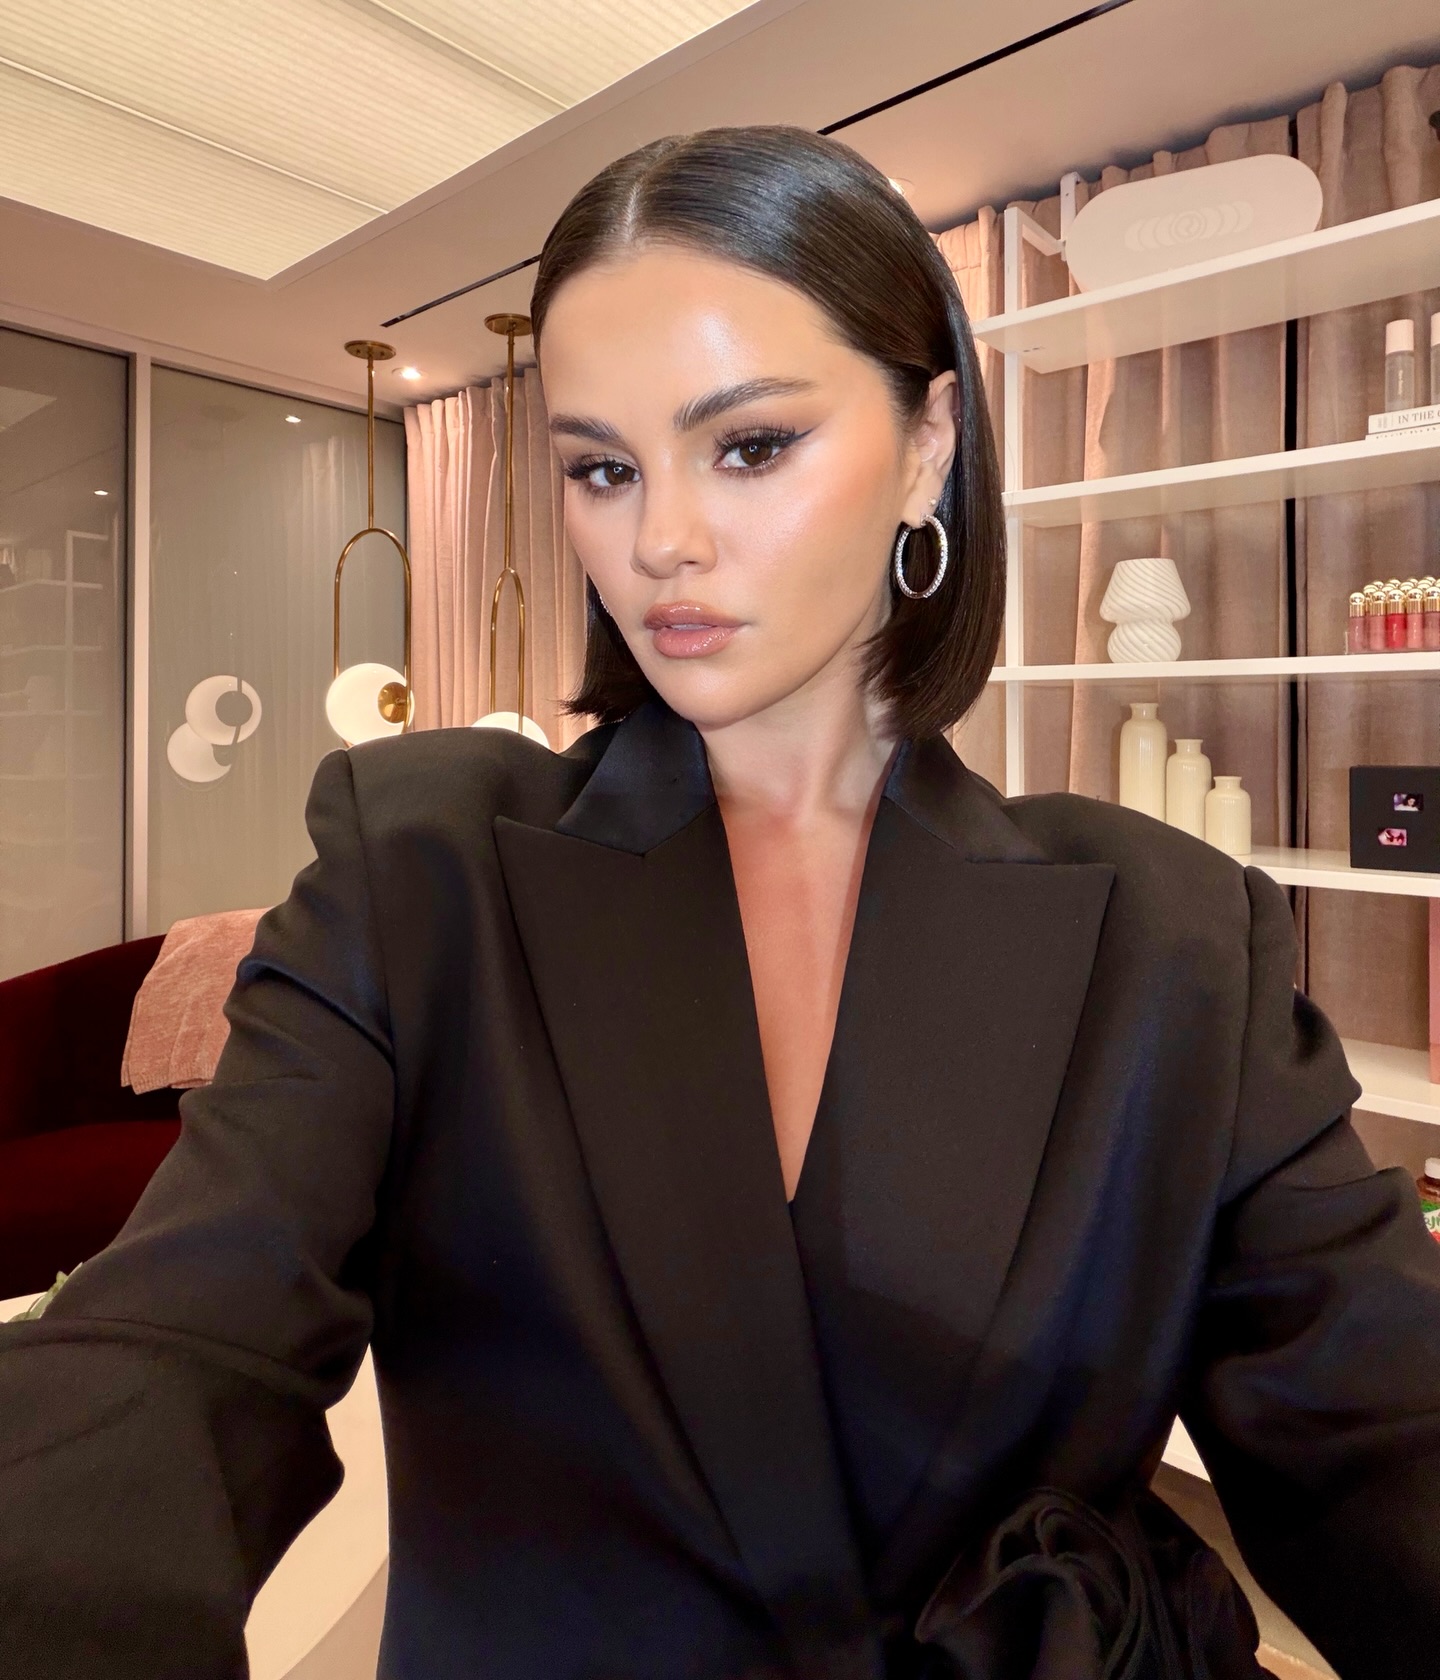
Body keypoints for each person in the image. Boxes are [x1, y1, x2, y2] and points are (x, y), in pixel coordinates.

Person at [2, 125, 1438, 1680]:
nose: (659, 542)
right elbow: (180, 1340)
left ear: (928, 442)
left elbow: (1382, 1428)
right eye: (602, 467)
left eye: (748, 445)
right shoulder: (420, 862)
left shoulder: (1172, 931)